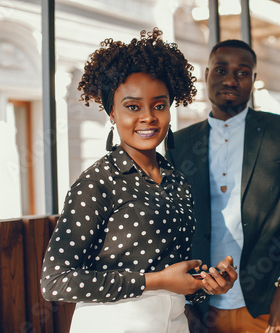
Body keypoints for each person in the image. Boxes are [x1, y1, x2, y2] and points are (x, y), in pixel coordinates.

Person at [40, 28, 237, 333]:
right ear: (112, 113)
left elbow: (175, 275)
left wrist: (209, 285)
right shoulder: (96, 183)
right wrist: (155, 281)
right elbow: (55, 282)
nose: (148, 117)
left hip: (174, 325)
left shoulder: (177, 182)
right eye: (133, 107)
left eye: (159, 105)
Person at [166, 39, 280, 333]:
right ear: (206, 74)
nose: (230, 79)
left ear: (253, 80)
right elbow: (173, 228)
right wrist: (183, 302)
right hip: (201, 307)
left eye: (242, 72)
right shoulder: (180, 144)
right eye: (221, 70)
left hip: (269, 302)